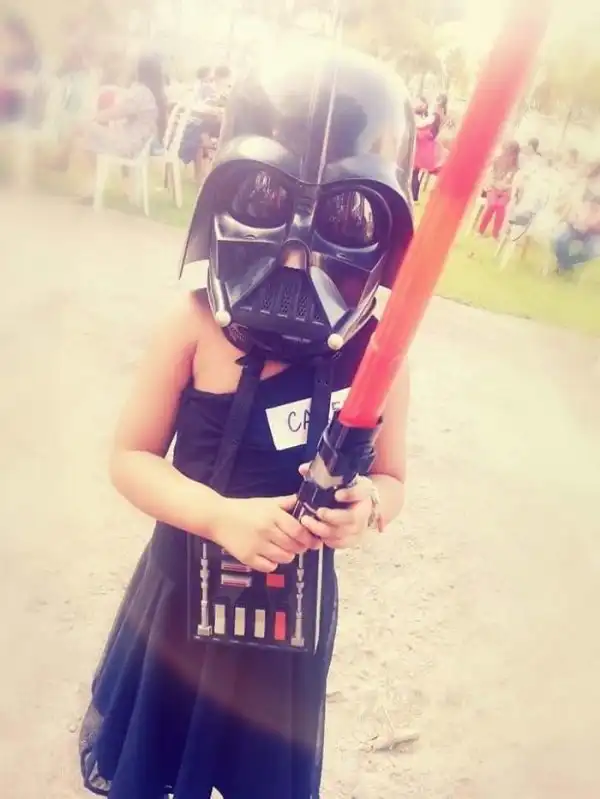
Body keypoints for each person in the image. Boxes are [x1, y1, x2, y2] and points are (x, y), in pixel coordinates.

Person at [78, 40, 413, 799]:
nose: (297, 258)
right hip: (181, 610)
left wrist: (369, 506)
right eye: (265, 200)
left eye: (347, 216)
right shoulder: (195, 324)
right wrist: (218, 516)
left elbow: (393, 480)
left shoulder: (381, 355)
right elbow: (129, 456)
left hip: (286, 634)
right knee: (156, 765)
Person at [72, 53, 166, 201]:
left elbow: (118, 112)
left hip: (128, 145)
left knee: (83, 129)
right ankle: (93, 184)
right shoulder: (154, 93)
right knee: (87, 136)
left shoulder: (141, 92)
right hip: (137, 144)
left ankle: (92, 186)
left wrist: (95, 117)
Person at [552, 162, 600, 275]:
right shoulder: (585, 186)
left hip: (595, 232)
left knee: (593, 250)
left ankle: (567, 265)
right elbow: (574, 205)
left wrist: (591, 224)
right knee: (560, 240)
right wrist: (575, 218)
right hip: (576, 226)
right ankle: (565, 266)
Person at [0, 13, 40, 125]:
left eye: (11, 40)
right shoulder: (6, 65)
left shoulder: (36, 71)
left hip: (24, 126)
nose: (6, 46)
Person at [479, 140, 520, 239]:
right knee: (492, 205)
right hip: (493, 188)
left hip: (505, 191)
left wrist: (506, 186)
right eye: (508, 152)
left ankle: (495, 234)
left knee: (500, 207)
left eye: (513, 154)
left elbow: (513, 183)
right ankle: (481, 230)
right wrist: (495, 184)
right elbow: (491, 176)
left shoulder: (515, 167)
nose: (510, 156)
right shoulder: (497, 161)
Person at [412, 92, 448, 202]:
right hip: (428, 143)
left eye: (436, 99)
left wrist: (413, 123)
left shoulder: (435, 114)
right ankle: (414, 196)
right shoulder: (442, 114)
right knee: (415, 172)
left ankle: (414, 195)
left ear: (439, 101)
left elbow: (423, 124)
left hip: (424, 144)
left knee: (414, 171)